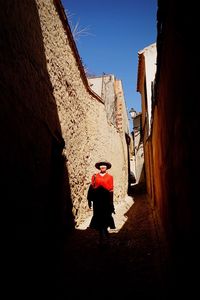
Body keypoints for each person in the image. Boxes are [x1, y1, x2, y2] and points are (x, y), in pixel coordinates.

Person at [87, 161, 116, 245]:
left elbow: (111, 190)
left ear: (107, 167)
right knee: (98, 217)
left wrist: (111, 202)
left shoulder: (110, 177)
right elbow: (91, 188)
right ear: (99, 167)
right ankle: (102, 235)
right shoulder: (95, 176)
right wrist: (89, 200)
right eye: (101, 165)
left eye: (104, 165)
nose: (102, 166)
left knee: (106, 217)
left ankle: (103, 234)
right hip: (97, 201)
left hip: (106, 201)